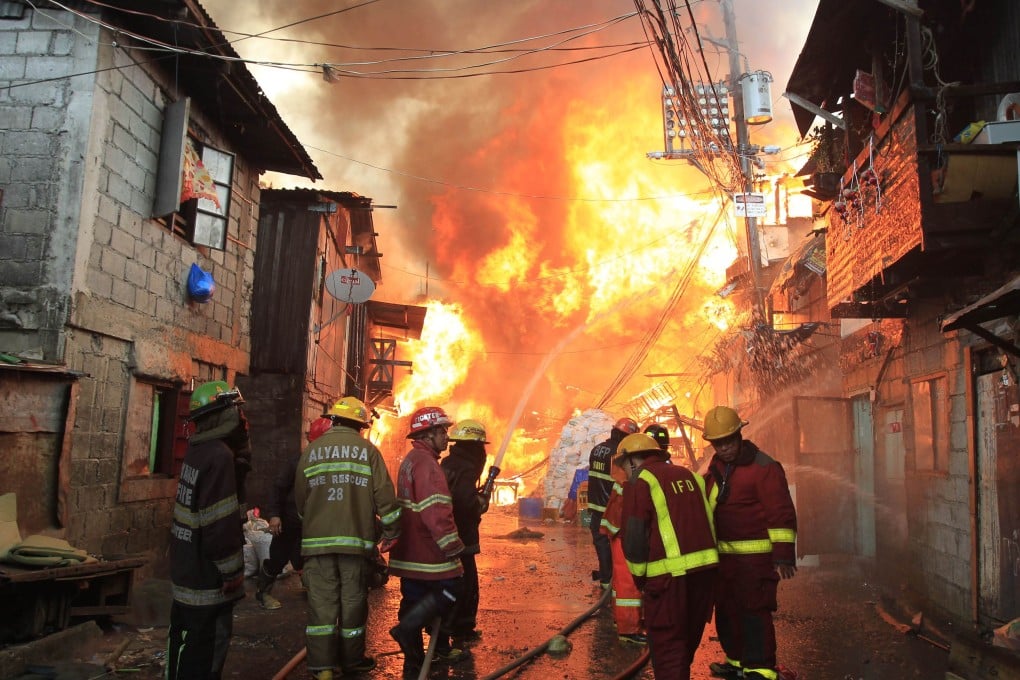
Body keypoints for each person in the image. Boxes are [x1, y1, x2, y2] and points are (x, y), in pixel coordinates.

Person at [294, 396, 402, 680]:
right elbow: (385, 498)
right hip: (355, 545)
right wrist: (391, 532)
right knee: (353, 605)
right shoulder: (368, 451)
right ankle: (352, 662)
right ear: (361, 426)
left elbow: (300, 501)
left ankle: (323, 668)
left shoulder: (312, 451)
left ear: (333, 420)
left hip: (317, 545)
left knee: (321, 605)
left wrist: (315, 524)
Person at [701, 406, 798, 680]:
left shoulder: (764, 468)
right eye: (718, 443)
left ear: (739, 435)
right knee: (728, 612)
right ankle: (736, 662)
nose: (724, 448)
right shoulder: (717, 468)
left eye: (728, 441)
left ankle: (760, 668)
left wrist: (783, 554)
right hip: (724, 561)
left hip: (755, 562)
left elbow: (780, 512)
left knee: (754, 612)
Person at [616, 432, 719, 680]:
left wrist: (641, 579)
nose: (624, 472)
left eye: (623, 466)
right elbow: (708, 519)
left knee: (668, 648)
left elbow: (634, 536)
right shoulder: (690, 476)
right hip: (705, 576)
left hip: (668, 581)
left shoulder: (640, 482)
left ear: (632, 460)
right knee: (685, 646)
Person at [167, 381, 251, 680]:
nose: (243, 420)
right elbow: (219, 524)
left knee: (184, 647)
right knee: (204, 658)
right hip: (208, 579)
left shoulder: (199, 450)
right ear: (222, 415)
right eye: (237, 412)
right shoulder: (218, 458)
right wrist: (231, 572)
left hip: (188, 567)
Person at [388, 406, 466, 680]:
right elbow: (436, 513)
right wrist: (452, 546)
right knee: (453, 588)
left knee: (413, 599)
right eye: (442, 431)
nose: (447, 437)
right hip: (428, 553)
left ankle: (414, 665)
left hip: (409, 551)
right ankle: (407, 628)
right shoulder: (429, 466)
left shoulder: (411, 459)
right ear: (428, 434)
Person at [255, 416, 332, 610]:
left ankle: (312, 587)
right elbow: (278, 488)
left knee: (308, 558)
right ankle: (263, 593)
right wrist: (274, 514)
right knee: (278, 558)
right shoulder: (297, 462)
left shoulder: (330, 465)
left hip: (312, 523)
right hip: (290, 521)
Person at [439, 419, 492, 650]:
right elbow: (463, 501)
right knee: (466, 583)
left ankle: (447, 626)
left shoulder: (450, 462)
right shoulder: (467, 467)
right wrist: (478, 503)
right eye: (481, 446)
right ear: (474, 447)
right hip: (461, 536)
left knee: (453, 580)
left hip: (448, 534)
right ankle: (461, 629)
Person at [599, 450, 645, 645]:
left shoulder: (624, 475)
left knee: (621, 582)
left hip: (618, 532)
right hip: (624, 534)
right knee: (629, 583)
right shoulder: (631, 480)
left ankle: (622, 621)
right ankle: (629, 630)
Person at [588, 417, 639, 588]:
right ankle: (612, 584)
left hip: (595, 509)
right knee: (617, 549)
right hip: (611, 509)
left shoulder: (596, 450)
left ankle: (605, 581)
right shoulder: (618, 456)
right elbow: (623, 483)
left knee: (601, 546)